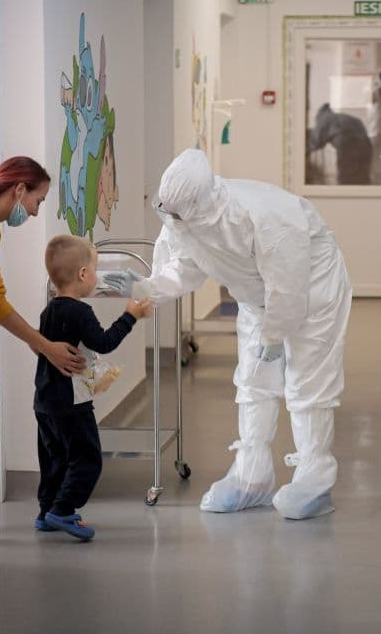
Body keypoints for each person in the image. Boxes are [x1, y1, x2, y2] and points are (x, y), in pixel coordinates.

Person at [103, 149, 352, 520]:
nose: (173, 221)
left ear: (203, 202)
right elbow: (187, 267)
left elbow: (288, 288)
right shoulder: (185, 215)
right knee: (253, 380)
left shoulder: (267, 218)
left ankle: (314, 477)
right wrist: (144, 287)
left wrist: (274, 336)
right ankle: (253, 476)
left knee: (307, 381)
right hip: (255, 295)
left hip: (313, 289)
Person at [34, 235, 153, 540]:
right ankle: (63, 510)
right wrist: (131, 316)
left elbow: (42, 347)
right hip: (72, 403)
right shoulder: (81, 312)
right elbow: (104, 342)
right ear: (84, 275)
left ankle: (46, 511)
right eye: (96, 270)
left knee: (55, 458)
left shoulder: (49, 310)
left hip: (44, 400)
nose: (97, 277)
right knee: (88, 458)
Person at [0, 156, 85, 376]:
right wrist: (44, 346)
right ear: (19, 190)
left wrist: (37, 341)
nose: (35, 212)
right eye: (38, 201)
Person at [307, 103, 373, 184]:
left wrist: (303, 151)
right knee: (362, 179)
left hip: (349, 148)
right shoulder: (349, 118)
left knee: (346, 180)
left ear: (319, 115)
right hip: (367, 148)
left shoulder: (325, 118)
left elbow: (315, 141)